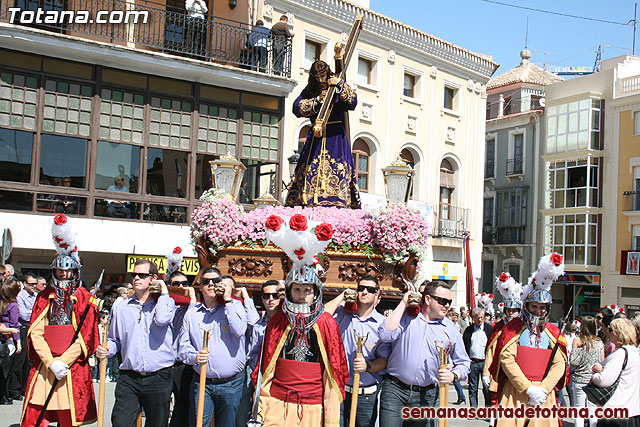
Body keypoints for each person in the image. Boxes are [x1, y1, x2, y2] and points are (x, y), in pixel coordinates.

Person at [21, 214, 100, 427]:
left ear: (75, 271)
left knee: (69, 419)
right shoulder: (44, 295)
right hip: (47, 365)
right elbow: (36, 332)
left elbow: (87, 336)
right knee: (34, 417)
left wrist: (63, 362)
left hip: (70, 367)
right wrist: (50, 361)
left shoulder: (85, 297)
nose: (64, 275)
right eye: (60, 270)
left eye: (68, 271)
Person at [253, 263, 349, 426]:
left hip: (313, 408)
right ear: (289, 292)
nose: (302, 295)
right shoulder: (278, 321)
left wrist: (330, 419)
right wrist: (261, 409)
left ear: (316, 293)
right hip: (277, 406)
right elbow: (266, 369)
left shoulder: (327, 323)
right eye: (297, 289)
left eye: (307, 291)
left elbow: (332, 374)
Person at [488, 253, 568, 427]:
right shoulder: (513, 328)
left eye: (542, 308)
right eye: (534, 306)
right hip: (515, 393)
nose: (538, 311)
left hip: (543, 396)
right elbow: (507, 359)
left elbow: (559, 363)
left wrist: (544, 388)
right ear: (527, 306)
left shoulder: (553, 332)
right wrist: (527, 387)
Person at [378, 281, 470, 427]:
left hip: (426, 395)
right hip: (395, 390)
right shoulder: (406, 317)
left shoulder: (450, 329)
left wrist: (453, 375)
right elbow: (385, 334)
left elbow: (464, 363)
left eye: (449, 302)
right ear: (427, 299)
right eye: (442, 301)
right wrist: (403, 304)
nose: (447, 305)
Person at [96, 259, 176, 427]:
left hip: (158, 376)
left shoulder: (166, 303)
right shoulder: (122, 307)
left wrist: (162, 291)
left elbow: (162, 319)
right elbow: (114, 340)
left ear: (153, 278)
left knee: (157, 424)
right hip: (129, 377)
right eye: (134, 275)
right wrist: (106, 349)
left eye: (142, 275)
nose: (136, 278)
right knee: (120, 422)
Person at [285, 60, 360, 209]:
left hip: (336, 137)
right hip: (316, 137)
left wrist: (340, 84)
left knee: (337, 169)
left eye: (323, 76)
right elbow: (296, 107)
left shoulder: (336, 85)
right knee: (310, 168)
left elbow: (352, 101)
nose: (320, 80)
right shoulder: (311, 90)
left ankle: (338, 199)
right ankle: (307, 198)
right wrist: (317, 100)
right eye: (317, 77)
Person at [178, 267, 247, 427]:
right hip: (202, 382)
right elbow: (183, 348)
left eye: (215, 281)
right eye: (205, 281)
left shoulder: (234, 306)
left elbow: (239, 330)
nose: (210, 284)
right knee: (198, 423)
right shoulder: (192, 313)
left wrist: (228, 300)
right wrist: (194, 357)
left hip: (230, 384)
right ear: (200, 286)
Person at [324, 275, 391, 427]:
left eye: (370, 290)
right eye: (361, 289)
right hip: (339, 390)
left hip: (365, 396)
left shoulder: (382, 324)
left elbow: (385, 360)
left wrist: (368, 366)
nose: (365, 292)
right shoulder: (342, 314)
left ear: (377, 296)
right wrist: (342, 296)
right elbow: (323, 316)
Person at [236, 279, 283, 427]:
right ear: (262, 298)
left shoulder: (286, 323)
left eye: (275, 296)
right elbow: (252, 351)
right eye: (266, 296)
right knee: (242, 414)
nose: (270, 299)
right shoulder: (258, 324)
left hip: (277, 376)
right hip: (254, 372)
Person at [590, 318, 640, 427]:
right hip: (632, 409)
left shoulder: (620, 354)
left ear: (617, 333)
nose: (608, 332)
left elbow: (604, 380)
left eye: (611, 329)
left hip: (615, 410)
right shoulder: (634, 351)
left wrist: (595, 374)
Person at [169, 270, 197, 427]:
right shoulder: (164, 305)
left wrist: (191, 298)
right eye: (176, 284)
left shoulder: (192, 308)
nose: (180, 287)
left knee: (182, 409)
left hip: (183, 365)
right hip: (164, 365)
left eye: (184, 284)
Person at [569, 316, 603, 427]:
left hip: (579, 378)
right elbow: (602, 363)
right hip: (593, 379)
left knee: (579, 409)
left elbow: (573, 362)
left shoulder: (578, 340)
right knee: (593, 410)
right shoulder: (599, 342)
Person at [11, 272, 37, 401]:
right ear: (25, 284)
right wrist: (34, 312)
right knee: (20, 360)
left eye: (35, 284)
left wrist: (32, 312)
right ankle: (15, 389)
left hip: (33, 329)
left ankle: (26, 388)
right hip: (22, 328)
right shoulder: (20, 296)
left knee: (30, 360)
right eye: (31, 284)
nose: (34, 286)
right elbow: (24, 315)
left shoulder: (36, 296)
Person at [463, 307, 493, 408]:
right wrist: (467, 359)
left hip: (485, 363)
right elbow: (464, 346)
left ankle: (488, 411)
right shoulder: (468, 330)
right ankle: (473, 410)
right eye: (477, 318)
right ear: (473, 318)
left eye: (481, 317)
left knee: (486, 388)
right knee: (473, 388)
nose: (480, 320)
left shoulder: (489, 329)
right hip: (473, 363)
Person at [0, 279, 21, 405]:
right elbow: (15, 324)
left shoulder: (2, 303)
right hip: (8, 337)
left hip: (3, 336)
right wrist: (18, 341)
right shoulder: (13, 305)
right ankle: (3, 396)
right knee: (5, 371)